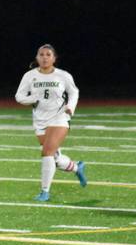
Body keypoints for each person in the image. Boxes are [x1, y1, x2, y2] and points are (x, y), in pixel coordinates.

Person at [14, 44, 86, 201]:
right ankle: (76, 167)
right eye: (41, 54)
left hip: (59, 118)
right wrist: (33, 99)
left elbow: (74, 92)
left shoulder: (63, 75)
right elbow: (19, 96)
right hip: (39, 120)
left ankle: (44, 192)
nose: (44, 57)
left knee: (47, 153)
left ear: (54, 58)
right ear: (37, 57)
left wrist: (70, 107)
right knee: (54, 157)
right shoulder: (29, 76)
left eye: (48, 54)